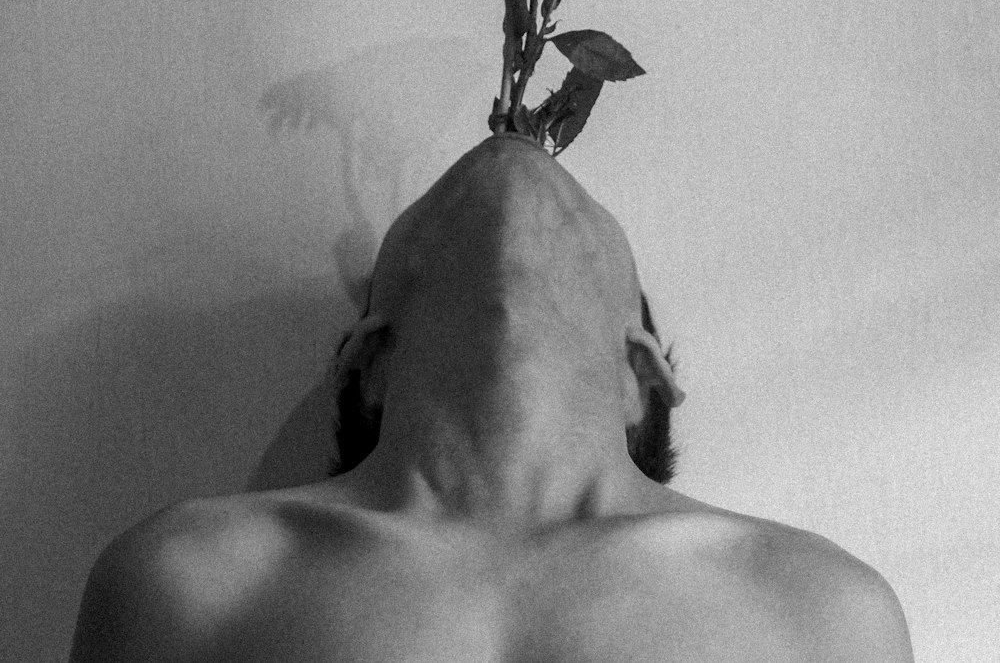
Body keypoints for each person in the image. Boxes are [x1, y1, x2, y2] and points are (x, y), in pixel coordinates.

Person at [69, 134, 913, 662]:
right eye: (444, 235)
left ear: (641, 376)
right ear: (370, 364)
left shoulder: (821, 611)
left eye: (572, 237)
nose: (515, 168)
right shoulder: (193, 580)